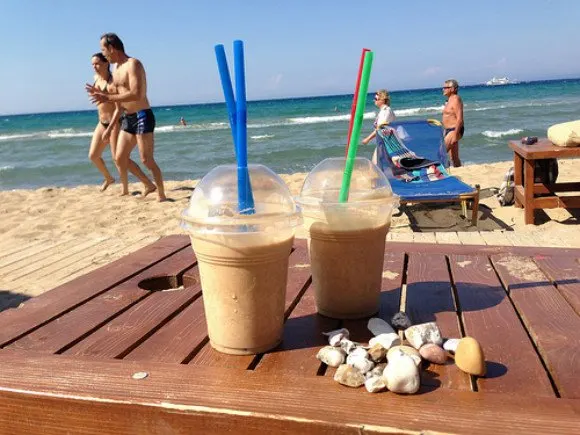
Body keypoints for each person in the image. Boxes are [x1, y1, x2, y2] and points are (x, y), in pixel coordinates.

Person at [86, 33, 166, 201]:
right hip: (128, 118)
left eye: (103, 50)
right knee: (119, 157)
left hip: (143, 116)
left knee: (147, 160)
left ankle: (161, 195)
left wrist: (106, 97)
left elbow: (137, 94)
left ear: (112, 48)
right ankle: (148, 185)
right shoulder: (116, 69)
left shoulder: (133, 64)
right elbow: (117, 101)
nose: (104, 54)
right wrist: (102, 94)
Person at [88, 53, 116, 191]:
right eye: (92, 64)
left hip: (114, 123)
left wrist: (105, 97)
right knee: (93, 155)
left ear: (106, 63)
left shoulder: (113, 80)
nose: (94, 67)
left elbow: (120, 102)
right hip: (101, 123)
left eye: (97, 63)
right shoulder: (95, 79)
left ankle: (144, 183)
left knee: (119, 159)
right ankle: (109, 178)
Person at [362, 89, 396, 164]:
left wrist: (367, 139)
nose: (374, 100)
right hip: (384, 141)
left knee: (376, 163)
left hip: (387, 142)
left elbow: (380, 128)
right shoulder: (384, 111)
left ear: (382, 100)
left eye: (376, 99)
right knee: (379, 163)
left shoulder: (386, 111)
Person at [442, 79, 464, 167]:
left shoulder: (455, 99)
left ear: (452, 89)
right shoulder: (449, 100)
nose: (443, 89)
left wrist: (455, 134)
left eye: (445, 87)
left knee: (441, 153)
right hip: (448, 130)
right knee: (454, 158)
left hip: (454, 130)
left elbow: (459, 119)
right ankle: (460, 170)